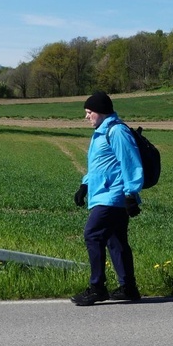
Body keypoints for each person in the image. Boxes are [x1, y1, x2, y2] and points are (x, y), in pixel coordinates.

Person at [71, 91, 143, 306]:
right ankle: (128, 288)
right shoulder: (101, 133)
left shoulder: (117, 131)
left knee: (92, 234)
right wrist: (84, 184)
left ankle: (97, 287)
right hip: (103, 193)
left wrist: (130, 193)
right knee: (116, 240)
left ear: (100, 112)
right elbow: (99, 165)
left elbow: (130, 162)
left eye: (89, 112)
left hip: (114, 195)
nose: (87, 116)